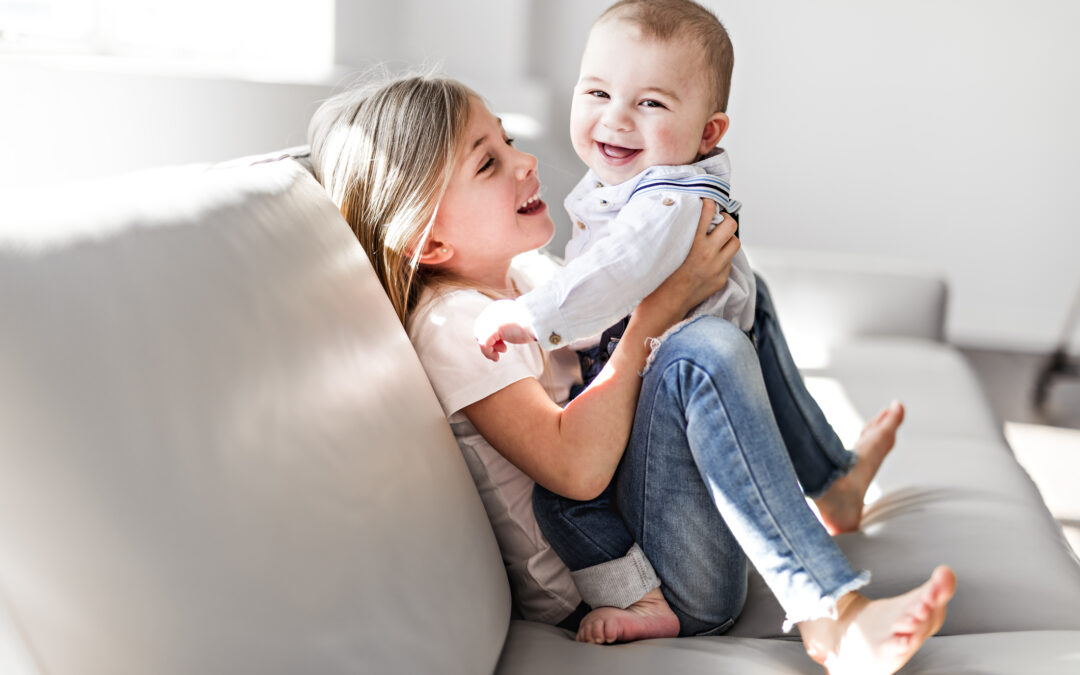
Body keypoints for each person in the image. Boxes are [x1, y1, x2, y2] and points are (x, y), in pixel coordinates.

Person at [308, 72, 956, 674]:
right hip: (637, 583)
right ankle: (832, 618)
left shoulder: (527, 281)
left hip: (652, 526)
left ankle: (833, 483)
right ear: (428, 241)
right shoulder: (457, 327)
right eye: (488, 162)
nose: (525, 161)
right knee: (703, 346)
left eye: (506, 140)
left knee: (732, 292)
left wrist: (676, 269)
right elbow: (576, 469)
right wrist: (660, 311)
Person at [470, 0, 926, 650]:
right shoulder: (631, 191)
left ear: (708, 133)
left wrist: (532, 315)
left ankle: (832, 609)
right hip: (660, 516)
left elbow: (615, 272)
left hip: (685, 547)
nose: (616, 117)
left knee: (708, 338)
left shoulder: (668, 199)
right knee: (742, 294)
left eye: (651, 104)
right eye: (597, 91)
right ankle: (829, 479)